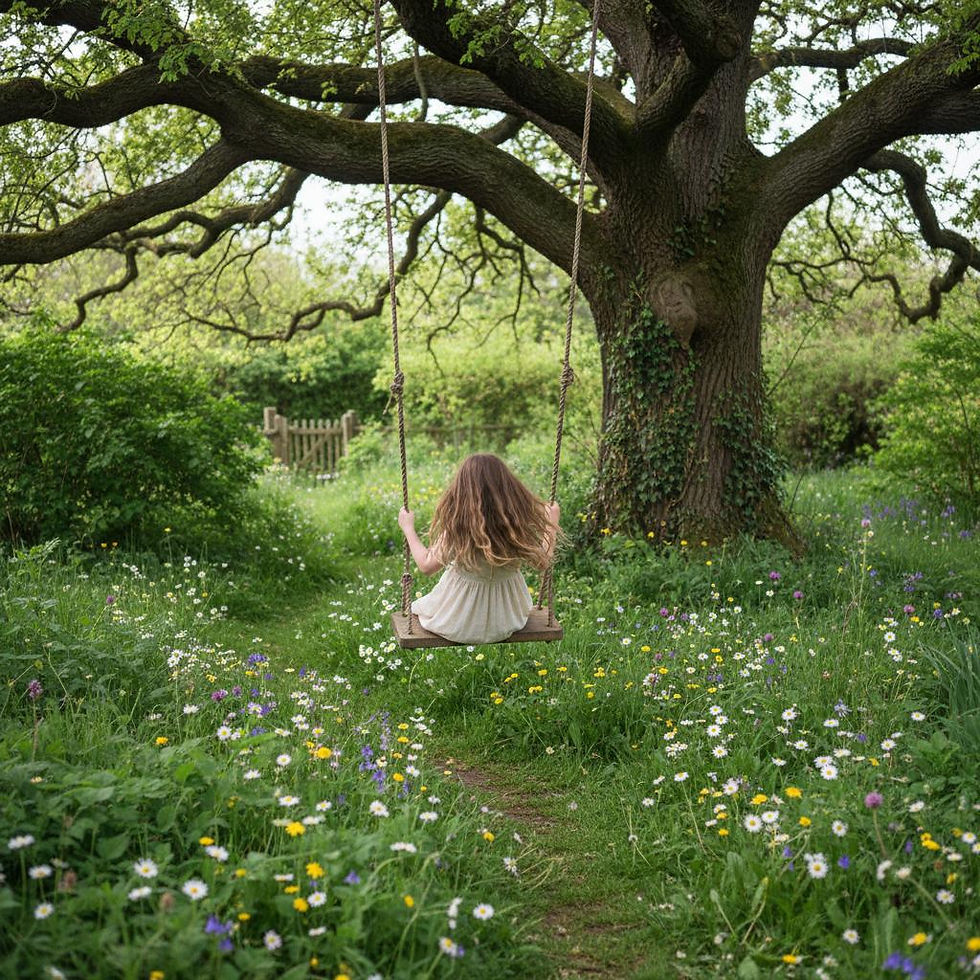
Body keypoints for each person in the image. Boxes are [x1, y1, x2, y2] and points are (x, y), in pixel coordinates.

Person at [397, 453, 561, 645]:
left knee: (423, 606)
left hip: (456, 624)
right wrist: (551, 525)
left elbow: (426, 566)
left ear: (462, 490)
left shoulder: (459, 528)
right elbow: (543, 562)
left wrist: (408, 528)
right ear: (508, 488)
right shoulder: (515, 526)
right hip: (507, 622)